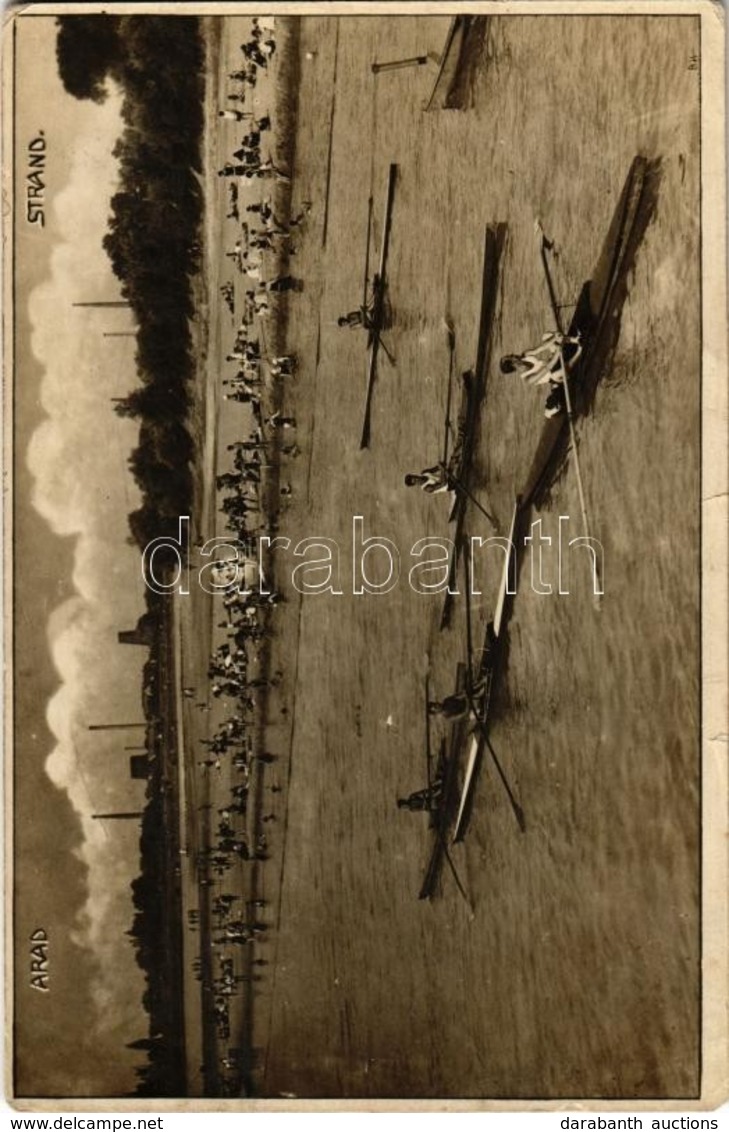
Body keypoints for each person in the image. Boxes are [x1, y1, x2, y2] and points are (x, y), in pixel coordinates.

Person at [500, 331, 582, 387]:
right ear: (513, 363)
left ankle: (575, 340)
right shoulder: (528, 379)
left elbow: (541, 348)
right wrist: (557, 353)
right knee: (556, 373)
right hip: (554, 376)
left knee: (546, 336)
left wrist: (554, 337)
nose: (513, 354)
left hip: (552, 361)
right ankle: (579, 352)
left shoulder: (525, 354)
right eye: (511, 356)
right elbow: (547, 368)